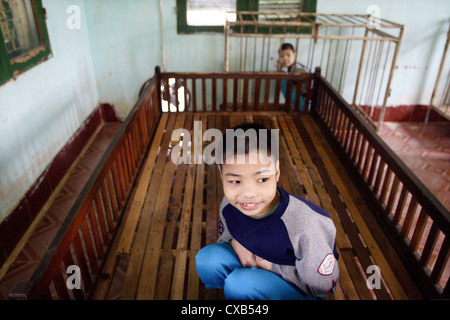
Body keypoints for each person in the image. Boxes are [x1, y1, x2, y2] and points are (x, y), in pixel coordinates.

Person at [195, 122, 339, 300]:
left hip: (300, 288)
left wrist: (273, 267)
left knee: (239, 284)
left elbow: (324, 287)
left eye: (262, 179)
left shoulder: (306, 224)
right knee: (207, 259)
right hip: (254, 268)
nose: (248, 194)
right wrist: (235, 242)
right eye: (235, 181)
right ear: (221, 173)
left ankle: (249, 292)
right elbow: (226, 235)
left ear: (276, 171)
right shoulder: (229, 204)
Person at [277, 43, 310, 111]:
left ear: (295, 55)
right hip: (305, 100)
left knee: (283, 80)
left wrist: (295, 85)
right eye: (281, 56)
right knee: (283, 77)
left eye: (288, 55)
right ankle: (295, 106)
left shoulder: (298, 68)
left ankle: (297, 107)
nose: (285, 58)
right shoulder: (292, 67)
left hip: (307, 103)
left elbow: (307, 82)